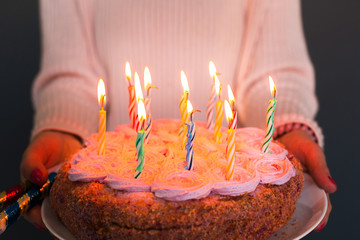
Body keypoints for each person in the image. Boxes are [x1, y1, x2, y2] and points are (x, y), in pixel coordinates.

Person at [21, 0, 337, 233]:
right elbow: (72, 77)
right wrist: (62, 130)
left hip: (230, 171)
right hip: (116, 168)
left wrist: (286, 128)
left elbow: (274, 72)